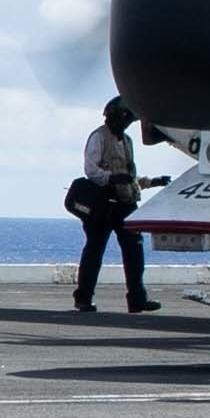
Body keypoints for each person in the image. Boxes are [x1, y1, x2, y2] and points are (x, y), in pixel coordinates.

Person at [71, 97, 170, 313]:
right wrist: (112, 178)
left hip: (125, 203)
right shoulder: (98, 137)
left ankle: (137, 299)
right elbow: (91, 170)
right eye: (123, 119)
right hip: (103, 204)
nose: (125, 124)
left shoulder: (126, 141)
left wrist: (153, 182)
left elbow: (130, 177)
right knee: (94, 250)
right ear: (113, 116)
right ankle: (84, 298)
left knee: (134, 251)